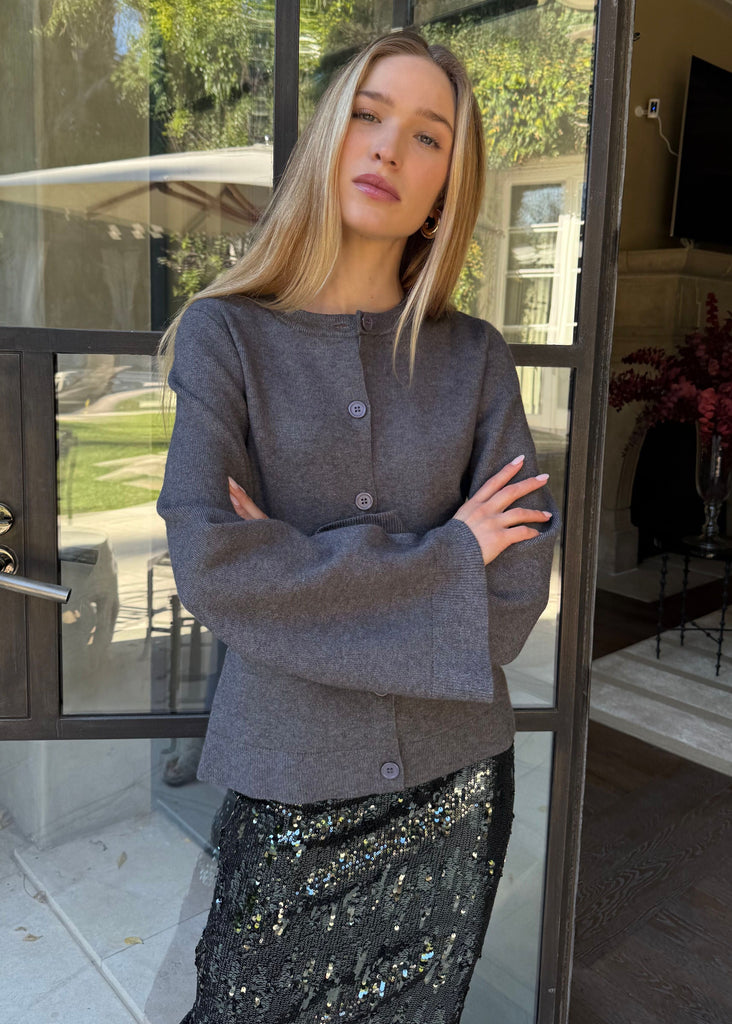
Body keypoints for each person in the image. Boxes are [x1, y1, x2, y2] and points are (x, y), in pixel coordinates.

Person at [156, 28, 560, 1024]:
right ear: (330, 136)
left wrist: (296, 573)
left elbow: (512, 600)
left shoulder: (476, 359)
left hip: (455, 789)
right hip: (286, 782)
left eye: (428, 137)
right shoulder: (226, 336)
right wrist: (452, 555)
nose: (388, 149)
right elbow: (213, 564)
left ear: (446, 187)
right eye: (369, 117)